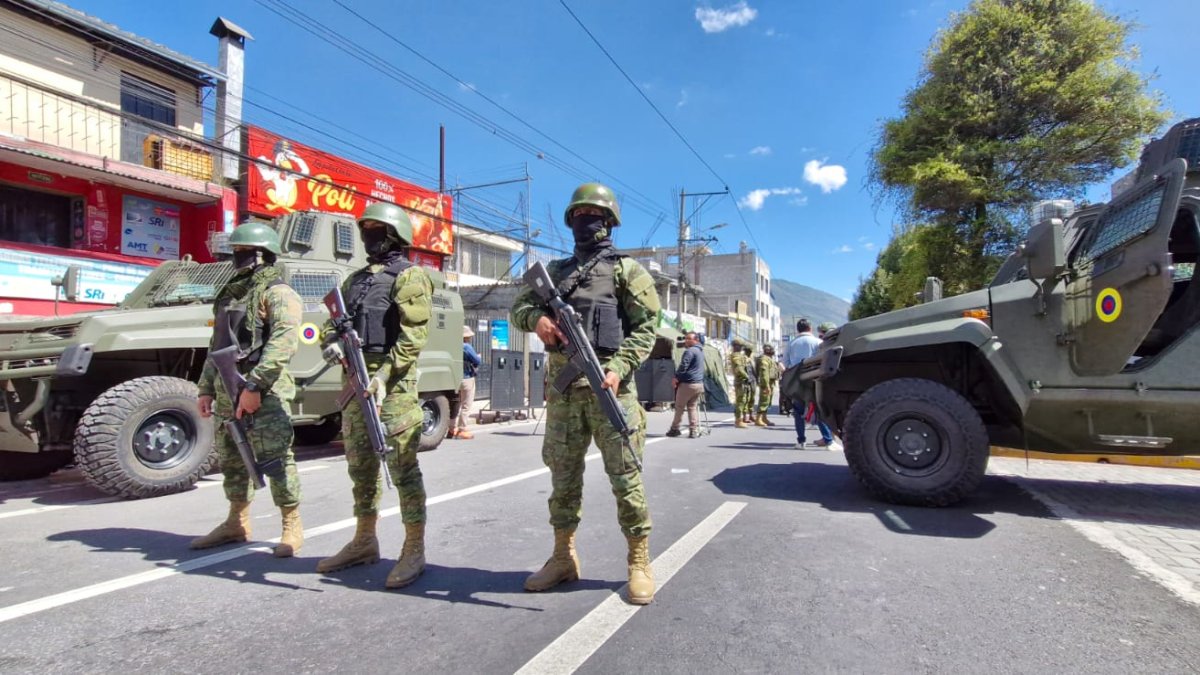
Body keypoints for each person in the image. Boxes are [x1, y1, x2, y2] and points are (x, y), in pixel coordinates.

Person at [510, 182, 660, 605]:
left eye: (592, 215)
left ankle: (639, 561)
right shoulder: (555, 273)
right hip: (564, 397)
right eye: (577, 215)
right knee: (562, 479)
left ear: (609, 222)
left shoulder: (628, 271)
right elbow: (518, 307)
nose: (584, 222)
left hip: (611, 391)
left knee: (626, 479)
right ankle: (563, 557)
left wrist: (618, 366)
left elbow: (647, 329)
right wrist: (536, 321)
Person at [317, 202, 434, 589]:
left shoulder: (410, 276)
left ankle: (413, 548)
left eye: (376, 229)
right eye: (364, 228)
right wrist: (331, 342)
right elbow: (330, 324)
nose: (368, 236)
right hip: (354, 386)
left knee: (402, 469)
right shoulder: (353, 281)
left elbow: (413, 337)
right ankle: (364, 540)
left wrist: (384, 374)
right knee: (360, 470)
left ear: (394, 235)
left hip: (393, 390)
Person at [192, 221, 304, 557]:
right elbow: (218, 345)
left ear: (262, 255)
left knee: (276, 459)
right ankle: (236, 522)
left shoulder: (279, 293)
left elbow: (284, 343)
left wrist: (255, 385)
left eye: (244, 252)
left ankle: (292, 523)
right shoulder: (230, 294)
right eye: (235, 251)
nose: (237, 257)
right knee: (232, 460)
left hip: (263, 393)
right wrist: (206, 388)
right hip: (228, 388)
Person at [783, 318, 822, 448]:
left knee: (798, 412)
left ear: (797, 329)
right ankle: (828, 440)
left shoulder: (791, 343)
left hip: (797, 381)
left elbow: (786, 364)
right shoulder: (818, 342)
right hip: (815, 379)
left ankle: (801, 441)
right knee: (819, 410)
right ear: (810, 328)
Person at [667, 331, 705, 438]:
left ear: (696, 340)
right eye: (686, 339)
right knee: (692, 407)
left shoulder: (690, 351)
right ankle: (693, 430)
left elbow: (684, 366)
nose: (686, 341)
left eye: (689, 339)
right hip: (698, 384)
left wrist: (676, 378)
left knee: (679, 407)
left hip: (688, 384)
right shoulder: (700, 351)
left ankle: (674, 429)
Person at [812, 322, 839, 447]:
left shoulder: (824, 346)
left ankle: (829, 438)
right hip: (839, 383)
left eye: (821, 334)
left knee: (824, 411)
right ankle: (831, 437)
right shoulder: (841, 341)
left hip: (827, 383)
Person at [452, 325, 481, 440]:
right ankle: (462, 429)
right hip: (467, 378)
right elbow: (477, 360)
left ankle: (451, 428)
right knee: (466, 405)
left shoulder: (453, 346)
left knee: (455, 403)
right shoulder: (466, 347)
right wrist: (479, 356)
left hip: (455, 378)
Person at [754, 343, 780, 427]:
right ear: (767, 350)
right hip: (766, 383)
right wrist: (766, 385)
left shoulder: (769, 359)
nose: (773, 351)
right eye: (772, 349)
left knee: (767, 401)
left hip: (770, 382)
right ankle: (758, 419)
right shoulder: (764, 360)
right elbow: (764, 374)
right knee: (764, 401)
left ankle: (764, 418)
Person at [729, 338, 750, 428]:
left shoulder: (739, 356)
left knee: (743, 400)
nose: (741, 348)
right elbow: (739, 369)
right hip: (740, 381)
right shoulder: (736, 356)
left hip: (742, 381)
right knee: (740, 401)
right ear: (736, 346)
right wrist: (746, 376)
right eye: (740, 346)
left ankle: (740, 419)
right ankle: (738, 420)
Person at [741, 343, 757, 425]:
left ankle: (751, 414)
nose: (750, 352)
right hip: (746, 381)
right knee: (745, 398)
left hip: (753, 380)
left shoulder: (752, 359)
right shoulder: (743, 358)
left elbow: (755, 370)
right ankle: (745, 415)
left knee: (752, 398)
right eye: (748, 351)